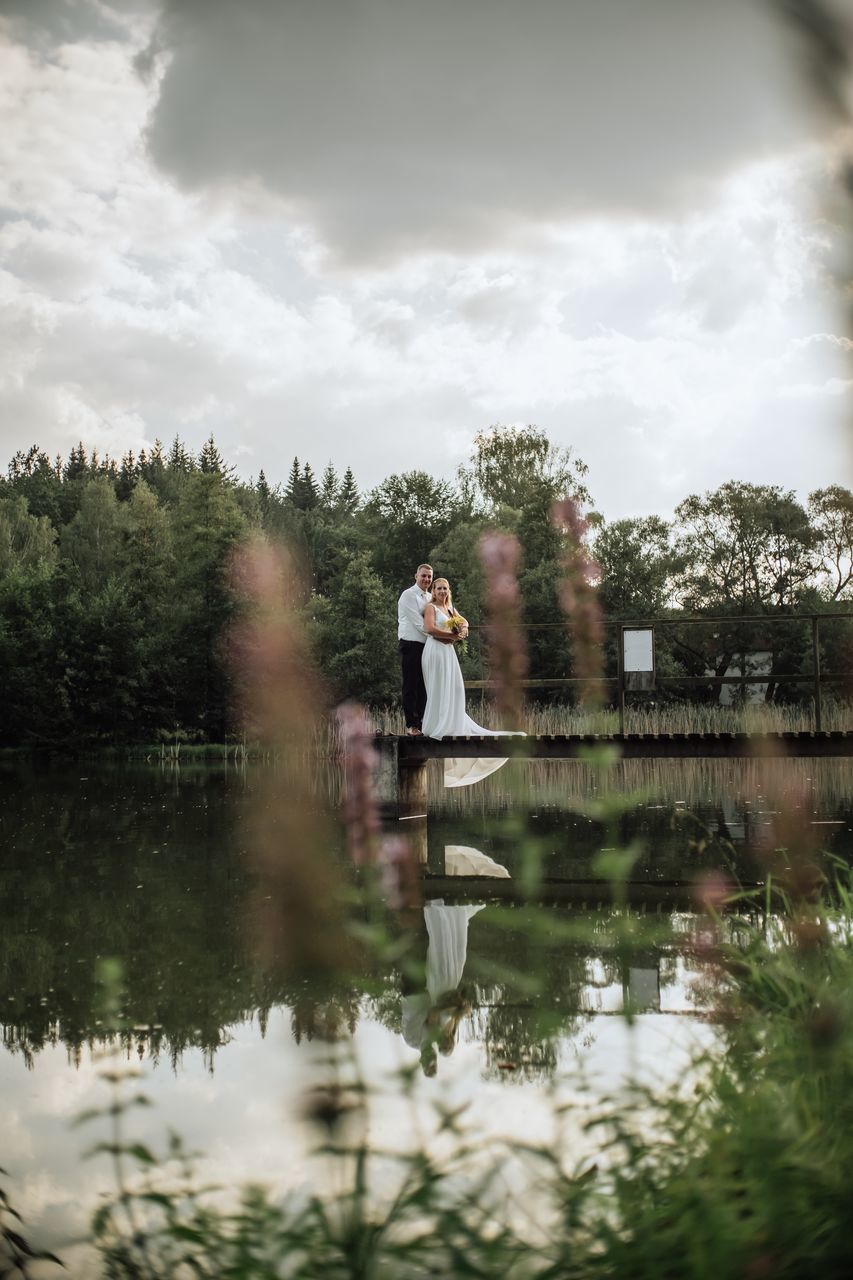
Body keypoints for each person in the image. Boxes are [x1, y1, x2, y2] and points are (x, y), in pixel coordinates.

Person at [421, 577, 524, 786]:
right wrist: (451, 636)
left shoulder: (450, 608)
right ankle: (436, 726)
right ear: (434, 590)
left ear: (449, 591)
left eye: (445, 588)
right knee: (438, 689)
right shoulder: (431, 607)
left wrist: (463, 630)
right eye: (438, 588)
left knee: (455, 689)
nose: (442, 591)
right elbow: (429, 629)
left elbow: (464, 622)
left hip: (448, 652)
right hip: (435, 651)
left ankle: (451, 723)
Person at [397, 563, 435, 736]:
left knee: (424, 687)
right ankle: (411, 725)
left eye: (429, 576)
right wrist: (441, 636)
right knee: (411, 685)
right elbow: (420, 625)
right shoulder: (408, 595)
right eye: (423, 575)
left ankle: (421, 724)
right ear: (416, 576)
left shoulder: (430, 597)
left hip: (427, 645)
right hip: (411, 644)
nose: (426, 579)